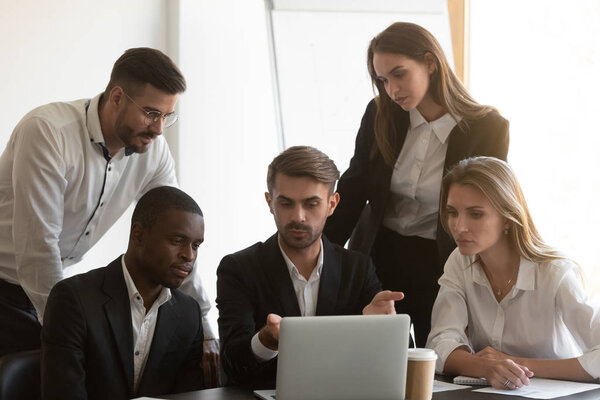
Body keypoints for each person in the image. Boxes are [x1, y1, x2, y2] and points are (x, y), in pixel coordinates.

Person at [0, 47, 219, 385]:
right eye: (150, 113)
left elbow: (178, 234)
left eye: (167, 116)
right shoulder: (47, 131)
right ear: (117, 96)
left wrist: (204, 327)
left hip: (50, 284)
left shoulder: (153, 150)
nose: (159, 128)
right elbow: (38, 246)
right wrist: (65, 324)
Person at [323, 22, 510, 346]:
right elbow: (355, 186)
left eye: (399, 74)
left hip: (441, 260)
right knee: (372, 356)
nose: (392, 89)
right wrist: (317, 248)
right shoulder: (381, 113)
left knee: (435, 360)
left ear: (430, 63)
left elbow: (490, 207)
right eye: (382, 80)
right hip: (378, 254)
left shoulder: (487, 128)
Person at [217, 146, 404, 389]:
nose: (299, 217)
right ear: (269, 202)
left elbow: (391, 362)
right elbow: (232, 362)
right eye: (286, 203)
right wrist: (265, 341)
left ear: (332, 204)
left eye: (311, 203)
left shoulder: (357, 268)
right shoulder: (239, 268)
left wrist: (380, 329)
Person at [426, 156, 600, 389]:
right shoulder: (459, 261)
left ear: (508, 217)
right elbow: (439, 343)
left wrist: (514, 364)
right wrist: (485, 367)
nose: (459, 226)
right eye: (453, 212)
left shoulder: (556, 272)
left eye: (475, 214)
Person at [41, 186, 206, 399]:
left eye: (196, 245)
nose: (189, 255)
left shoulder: (188, 313)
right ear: (138, 235)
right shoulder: (73, 299)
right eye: (177, 241)